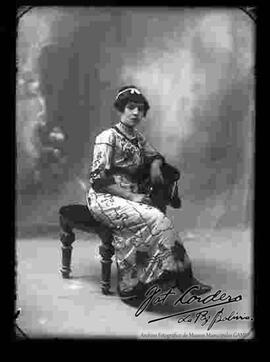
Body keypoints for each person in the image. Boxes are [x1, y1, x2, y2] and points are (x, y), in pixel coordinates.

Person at [86, 85, 211, 301]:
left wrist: (154, 165)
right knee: (156, 217)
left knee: (150, 220)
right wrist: (132, 197)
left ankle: (149, 279)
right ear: (121, 109)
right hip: (105, 197)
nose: (136, 113)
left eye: (140, 109)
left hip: (128, 198)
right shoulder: (107, 137)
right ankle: (174, 278)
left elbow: (156, 155)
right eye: (131, 107)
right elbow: (98, 179)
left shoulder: (137, 138)